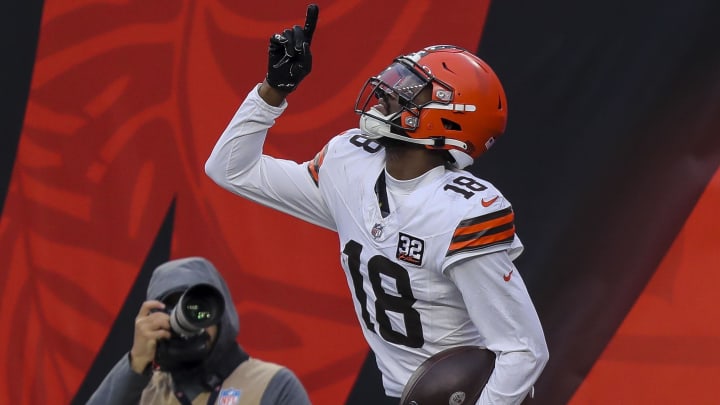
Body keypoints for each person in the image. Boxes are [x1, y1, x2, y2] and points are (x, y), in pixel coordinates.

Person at [205, 4, 549, 404]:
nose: (388, 90)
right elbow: (230, 170)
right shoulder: (350, 163)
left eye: (409, 88)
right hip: (400, 392)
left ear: (449, 118)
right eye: (397, 77)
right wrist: (272, 91)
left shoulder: (461, 213)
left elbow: (523, 350)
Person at [87, 256, 312, 405]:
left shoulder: (272, 385)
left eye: (199, 308)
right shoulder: (142, 392)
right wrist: (135, 364)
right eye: (170, 307)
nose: (185, 318)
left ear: (221, 314)